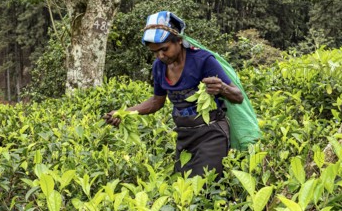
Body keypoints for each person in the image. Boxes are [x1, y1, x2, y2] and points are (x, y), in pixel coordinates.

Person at [104, 11, 243, 177]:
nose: (160, 56)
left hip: (211, 135)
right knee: (183, 188)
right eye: (155, 52)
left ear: (179, 40)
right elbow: (157, 101)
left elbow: (238, 96)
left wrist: (222, 88)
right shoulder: (159, 66)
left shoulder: (203, 60)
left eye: (164, 49)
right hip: (184, 136)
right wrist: (125, 113)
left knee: (205, 187)